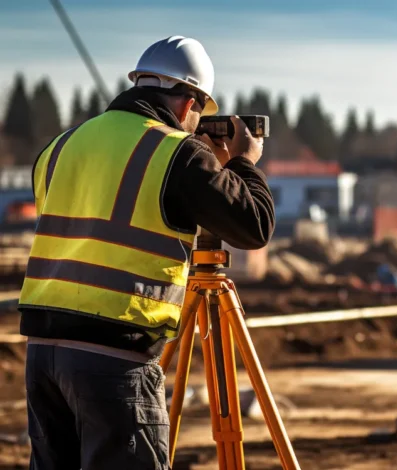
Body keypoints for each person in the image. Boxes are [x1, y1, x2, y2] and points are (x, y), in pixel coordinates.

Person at [19, 36, 275, 470]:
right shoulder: (177, 152)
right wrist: (242, 163)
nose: (197, 127)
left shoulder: (59, 146)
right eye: (199, 116)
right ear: (187, 103)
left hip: (43, 355)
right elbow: (253, 226)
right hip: (112, 358)